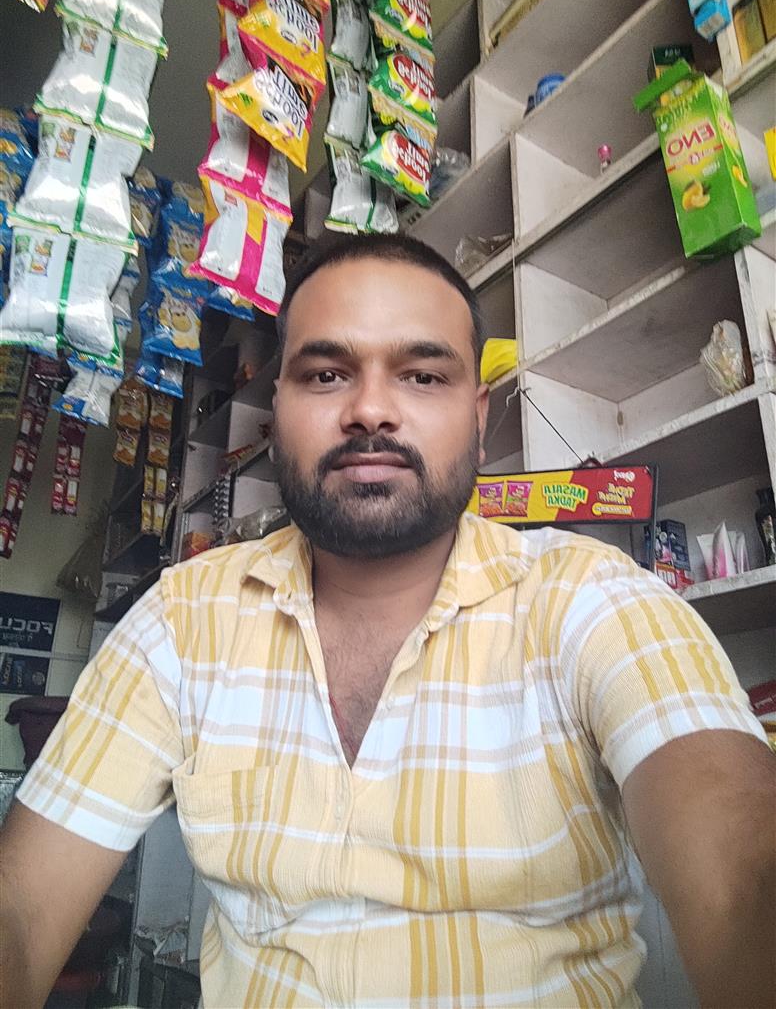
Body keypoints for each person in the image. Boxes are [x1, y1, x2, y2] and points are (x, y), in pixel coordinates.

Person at [1, 234, 774, 1009]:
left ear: (478, 419)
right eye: (326, 374)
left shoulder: (593, 599)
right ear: (278, 409)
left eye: (422, 375)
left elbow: (743, 867)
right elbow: (22, 913)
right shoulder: (183, 618)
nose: (370, 409)